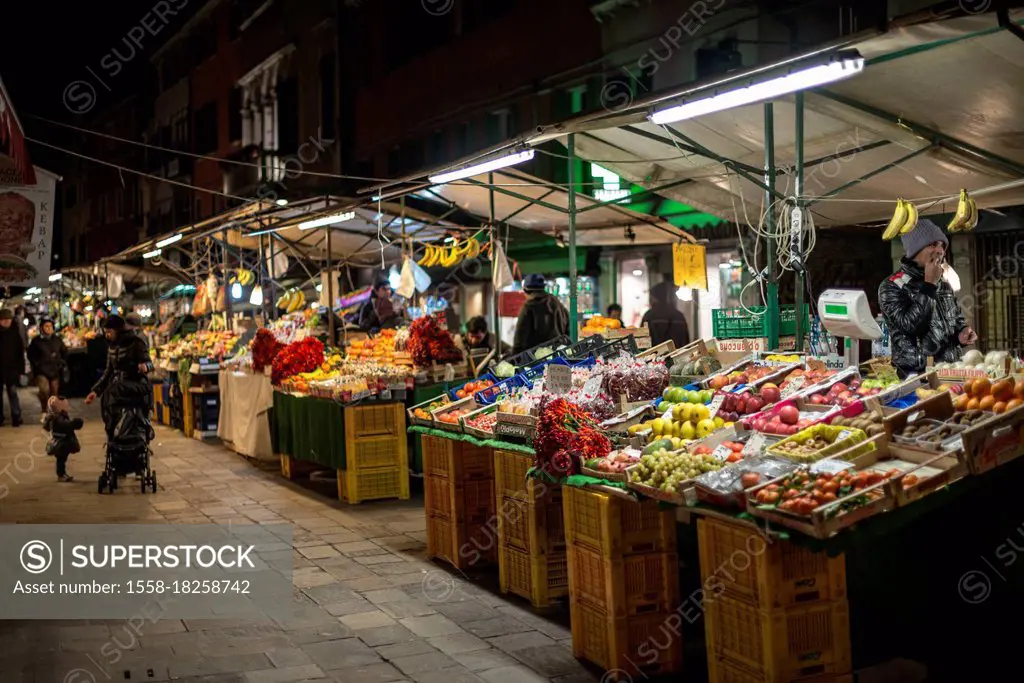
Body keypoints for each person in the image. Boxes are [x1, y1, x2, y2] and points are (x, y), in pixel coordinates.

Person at [878, 219, 976, 379]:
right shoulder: (892, 286)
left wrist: (962, 334)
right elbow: (911, 326)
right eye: (932, 244)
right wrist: (929, 284)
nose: (939, 250)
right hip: (916, 376)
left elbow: (955, 322)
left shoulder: (944, 284)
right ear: (914, 250)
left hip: (951, 372)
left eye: (942, 245)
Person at [85, 315, 153, 439]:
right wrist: (95, 391)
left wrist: (145, 367)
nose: (107, 335)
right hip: (117, 385)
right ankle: (112, 433)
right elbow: (108, 371)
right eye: (106, 332)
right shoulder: (111, 346)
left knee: (113, 391)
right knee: (107, 397)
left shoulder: (137, 342)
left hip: (135, 383)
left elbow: (149, 363)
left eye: (109, 332)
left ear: (118, 330)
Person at [513, 274, 569, 354]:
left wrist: (514, 359)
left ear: (526, 290)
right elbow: (568, 328)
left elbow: (519, 339)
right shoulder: (556, 302)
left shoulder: (528, 307)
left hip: (536, 359)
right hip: (559, 355)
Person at [28, 317, 68, 411]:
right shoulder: (36, 341)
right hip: (41, 371)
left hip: (55, 370)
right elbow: (31, 355)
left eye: (50, 326)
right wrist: (37, 365)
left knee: (54, 393)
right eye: (46, 326)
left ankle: (53, 413)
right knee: (44, 390)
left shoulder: (57, 340)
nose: (49, 328)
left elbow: (64, 352)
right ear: (41, 328)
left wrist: (61, 362)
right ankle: (44, 410)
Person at [43, 395, 83, 482]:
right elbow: (65, 426)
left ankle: (62, 474)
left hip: (63, 441)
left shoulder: (57, 416)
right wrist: (74, 424)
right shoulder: (57, 417)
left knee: (62, 459)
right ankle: (61, 474)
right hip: (61, 442)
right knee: (61, 459)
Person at [641, 281, 691, 349]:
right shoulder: (679, 316)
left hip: (655, 357)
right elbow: (686, 342)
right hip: (677, 356)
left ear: (656, 297)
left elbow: (642, 342)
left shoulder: (649, 316)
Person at [0, 308, 25, 427]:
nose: (6, 322)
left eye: (8, 319)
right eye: (3, 320)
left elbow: (20, 351)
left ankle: (16, 416)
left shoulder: (15, 332)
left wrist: (21, 369)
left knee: (13, 392)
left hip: (12, 368)